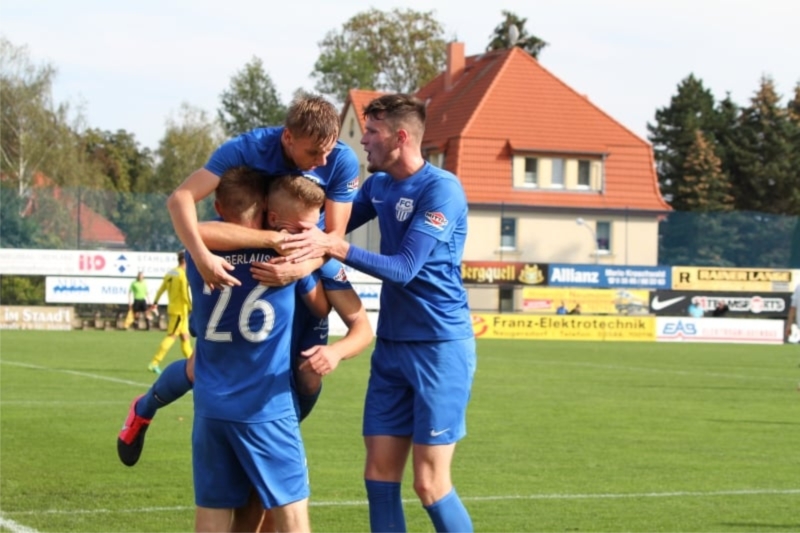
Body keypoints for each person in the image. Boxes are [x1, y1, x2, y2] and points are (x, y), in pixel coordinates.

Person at [117, 170, 373, 530]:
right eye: (302, 228)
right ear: (271, 214)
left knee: (234, 509)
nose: (313, 236)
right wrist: (300, 266)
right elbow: (319, 307)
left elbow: (192, 227)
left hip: (216, 403)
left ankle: (143, 408)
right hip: (269, 404)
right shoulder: (282, 255)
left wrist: (334, 346)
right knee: (279, 517)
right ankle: (143, 408)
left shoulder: (199, 252)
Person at [280, 94, 476, 533]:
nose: (363, 141)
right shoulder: (380, 186)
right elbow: (329, 227)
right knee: (379, 477)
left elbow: (404, 269)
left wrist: (333, 245)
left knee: (429, 483)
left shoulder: (440, 188)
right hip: (391, 348)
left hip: (439, 348)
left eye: (372, 132)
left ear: (401, 137)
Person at [166, 93, 359, 291]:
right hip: (248, 252)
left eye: (329, 150)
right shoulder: (246, 149)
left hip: (307, 259)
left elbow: (334, 237)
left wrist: (302, 269)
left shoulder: (342, 160)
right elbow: (180, 198)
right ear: (288, 137)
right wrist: (201, 257)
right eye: (314, 152)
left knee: (329, 311)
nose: (323, 161)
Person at [146, 252, 193, 375]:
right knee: (171, 336)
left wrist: (155, 302)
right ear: (185, 261)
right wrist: (192, 307)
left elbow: (161, 289)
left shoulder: (170, 273)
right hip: (180, 311)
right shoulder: (182, 275)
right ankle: (154, 363)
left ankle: (194, 364)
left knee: (185, 337)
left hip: (175, 309)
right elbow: (184, 294)